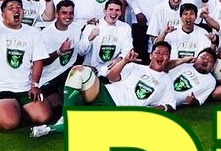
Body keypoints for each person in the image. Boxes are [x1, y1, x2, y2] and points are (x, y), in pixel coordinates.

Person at [30, 42, 177, 137]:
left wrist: (157, 109)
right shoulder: (135, 67)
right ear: (151, 55)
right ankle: (67, 115)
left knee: (85, 126)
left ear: (169, 58)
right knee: (79, 70)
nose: (160, 56)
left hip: (118, 110)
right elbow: (112, 77)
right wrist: (125, 61)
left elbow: (170, 105)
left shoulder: (166, 80)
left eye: (165, 54)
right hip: (104, 93)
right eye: (157, 52)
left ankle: (49, 129)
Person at [0, 0, 51, 132]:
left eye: (19, 7)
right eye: (11, 8)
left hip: (24, 87)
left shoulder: (33, 32)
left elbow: (38, 60)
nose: (16, 10)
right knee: (9, 123)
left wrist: (35, 85)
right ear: (3, 15)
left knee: (44, 117)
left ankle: (16, 110)